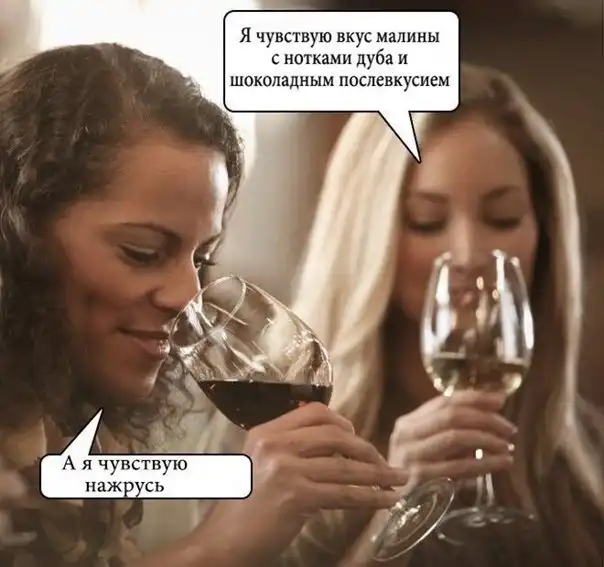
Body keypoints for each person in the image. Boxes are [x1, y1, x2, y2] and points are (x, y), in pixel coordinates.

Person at [0, 43, 411, 567]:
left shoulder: (80, 426)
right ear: (19, 235)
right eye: (143, 252)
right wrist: (221, 544)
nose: (188, 297)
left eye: (202, 258)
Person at [183, 63, 603, 566]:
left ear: (546, 234)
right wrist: (397, 512)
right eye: (426, 221)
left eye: (502, 218)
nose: (468, 254)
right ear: (367, 238)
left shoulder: (587, 457)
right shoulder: (269, 440)